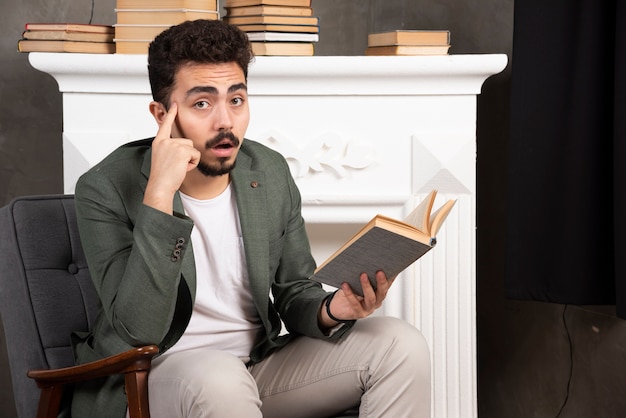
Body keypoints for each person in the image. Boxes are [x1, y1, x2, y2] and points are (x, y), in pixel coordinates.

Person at [71, 19, 430, 418]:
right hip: (151, 377)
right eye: (202, 103)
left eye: (236, 100)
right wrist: (158, 194)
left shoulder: (269, 170)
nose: (225, 121)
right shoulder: (104, 187)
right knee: (219, 377)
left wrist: (333, 310)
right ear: (162, 115)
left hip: (255, 369)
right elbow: (139, 328)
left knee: (400, 344)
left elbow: (295, 289)